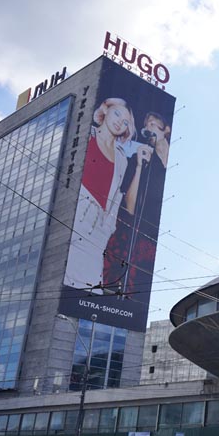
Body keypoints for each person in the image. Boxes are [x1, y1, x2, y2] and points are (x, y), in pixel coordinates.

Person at [64, 98, 135, 293]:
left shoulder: (122, 158)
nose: (120, 122)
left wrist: (108, 226)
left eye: (126, 122)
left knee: (91, 290)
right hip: (75, 222)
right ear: (105, 109)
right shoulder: (85, 136)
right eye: (117, 114)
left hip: (98, 234)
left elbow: (115, 196)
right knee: (63, 286)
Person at [103, 111, 171, 296]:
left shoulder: (175, 167)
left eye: (152, 124)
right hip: (129, 240)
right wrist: (140, 167)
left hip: (152, 245)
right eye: (146, 125)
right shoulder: (138, 158)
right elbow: (129, 207)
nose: (148, 128)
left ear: (166, 130)